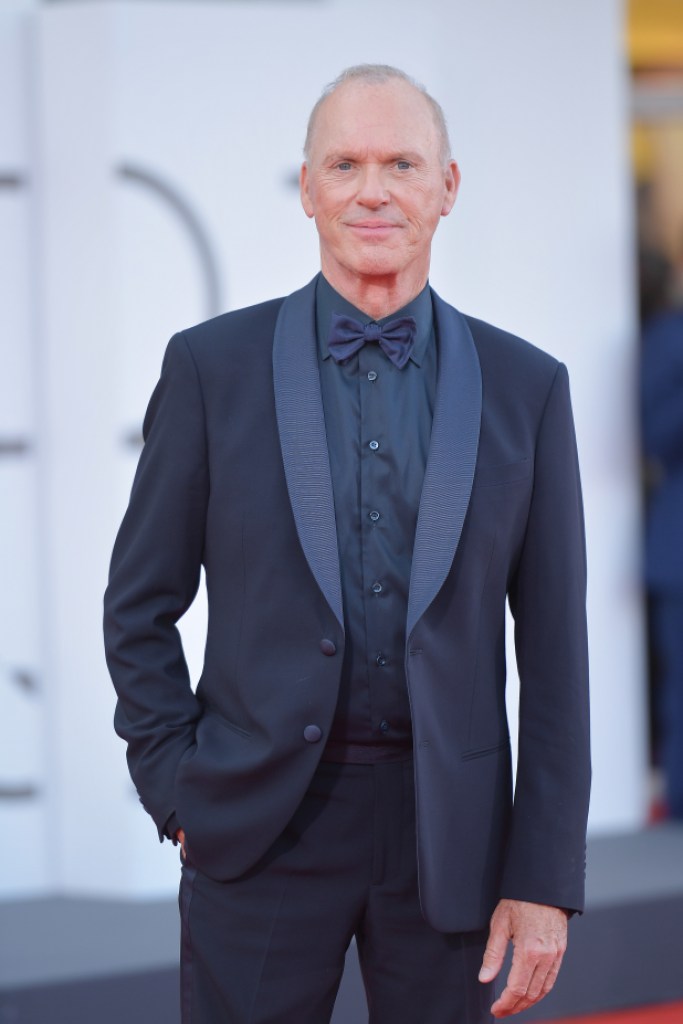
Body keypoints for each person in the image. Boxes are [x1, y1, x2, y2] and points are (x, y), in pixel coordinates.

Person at [104, 64, 590, 1023]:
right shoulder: (211, 369)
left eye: (402, 163)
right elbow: (138, 605)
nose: (373, 190)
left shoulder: (527, 388)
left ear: (446, 187)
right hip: (259, 828)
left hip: (451, 841)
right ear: (307, 188)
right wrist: (178, 791)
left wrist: (543, 877)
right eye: (345, 164)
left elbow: (555, 658)